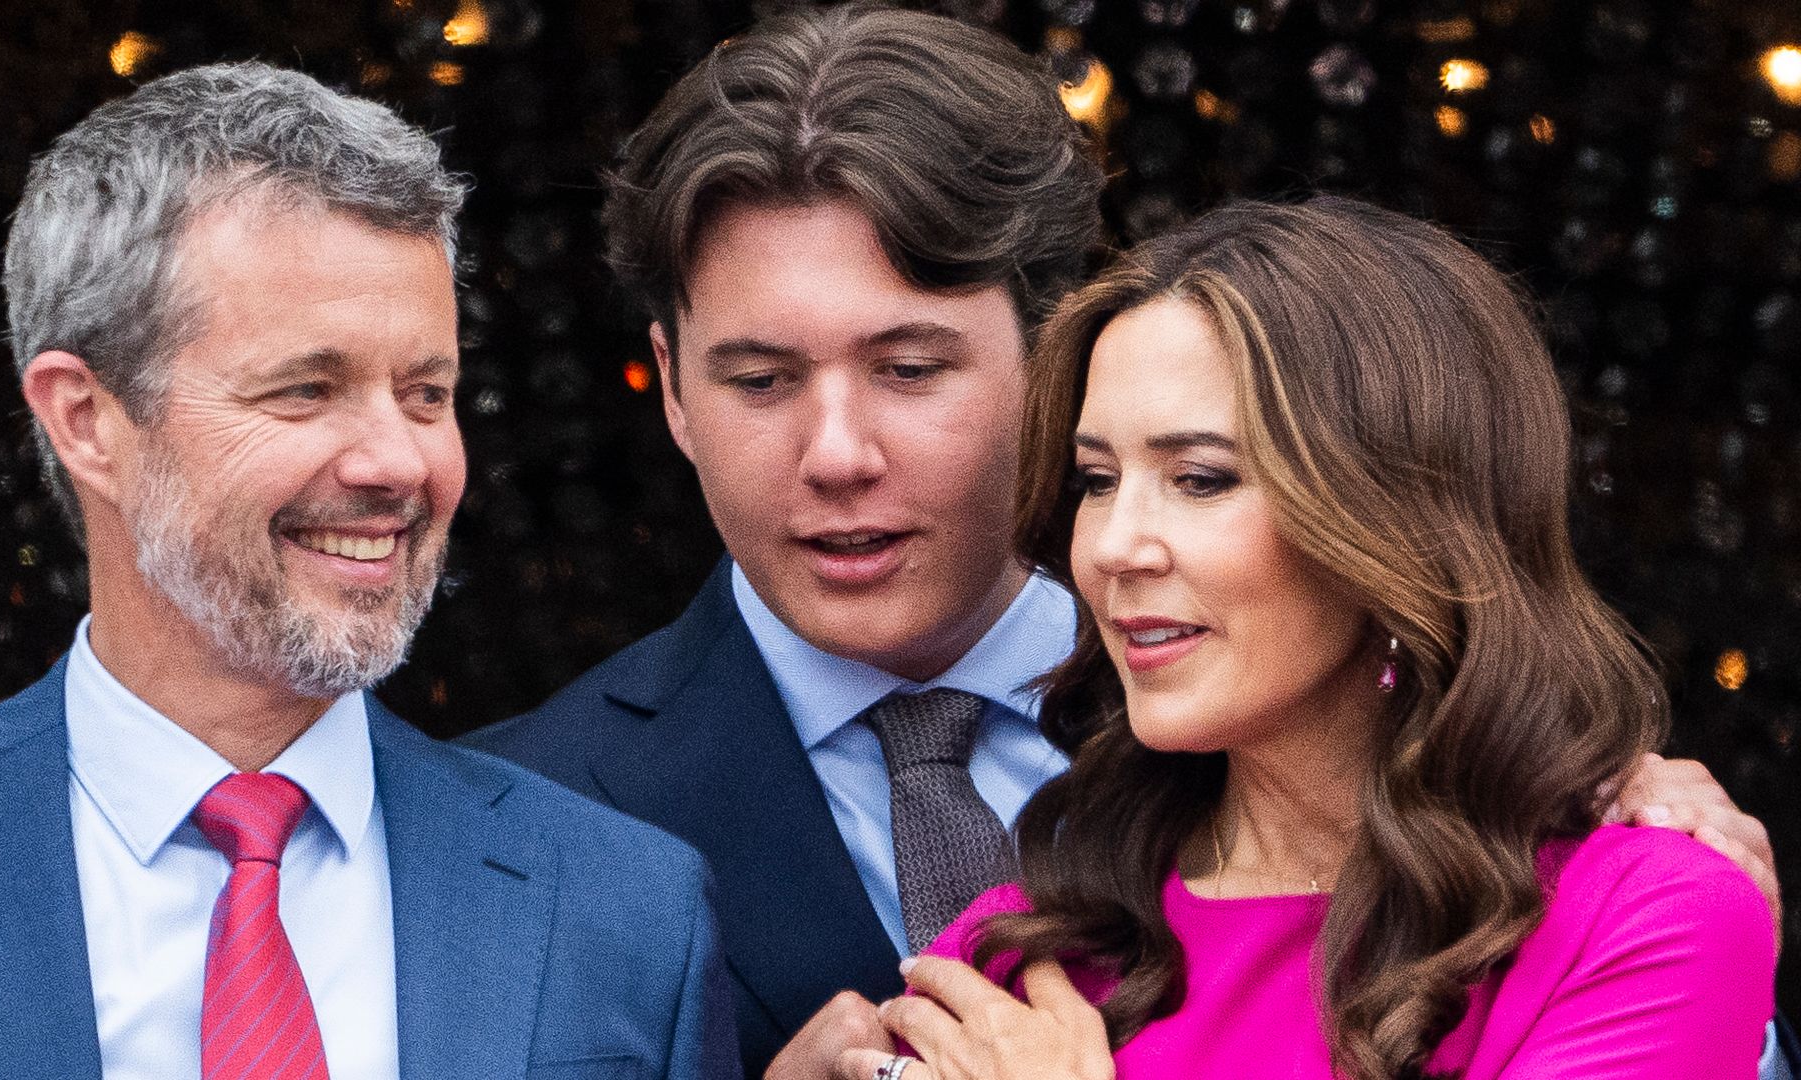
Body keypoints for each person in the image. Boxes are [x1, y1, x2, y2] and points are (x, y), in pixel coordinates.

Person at [459, 6, 1793, 1078]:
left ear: (1051, 363)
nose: (837, 452)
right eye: (759, 380)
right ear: (669, 386)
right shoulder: (516, 837)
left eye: (912, 367)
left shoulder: (1621, 860)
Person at [0, 62, 736, 1079]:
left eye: (427, 392)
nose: (398, 463)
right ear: (86, 421)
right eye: (305, 389)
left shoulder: (626, 910)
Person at [850, 197, 1780, 1079]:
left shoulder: (1645, 918)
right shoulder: (1024, 949)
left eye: (1201, 478)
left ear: (1396, 519)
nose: (1113, 547)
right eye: (1097, 479)